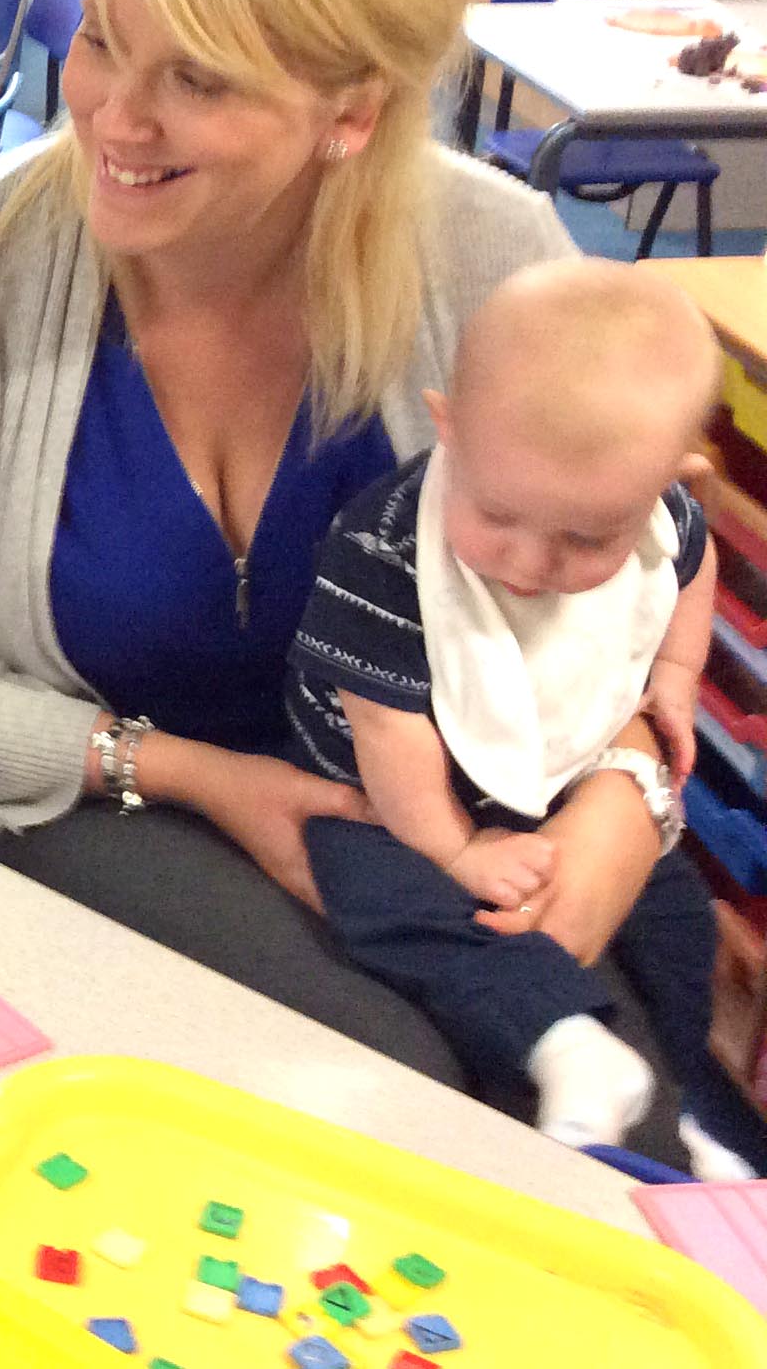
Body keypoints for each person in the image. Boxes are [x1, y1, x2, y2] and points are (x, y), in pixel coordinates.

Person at [0, 0, 717, 1144]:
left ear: (350, 116)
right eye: (106, 40)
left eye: (198, 80)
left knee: (614, 1107)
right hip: (88, 791)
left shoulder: (485, 262)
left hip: (431, 800)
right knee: (401, 1099)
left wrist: (632, 782)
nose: (114, 115)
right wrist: (197, 774)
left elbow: (620, 551)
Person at [289, 259, 767, 1176]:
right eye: (499, 514)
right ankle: (564, 1042)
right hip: (384, 793)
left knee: (677, 920)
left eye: (587, 538)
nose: (530, 562)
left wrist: (675, 672)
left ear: (664, 481)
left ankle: (675, 1097)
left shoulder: (655, 508)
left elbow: (689, 560)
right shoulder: (386, 553)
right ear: (449, 429)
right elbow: (392, 741)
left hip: (556, 768)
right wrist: (459, 852)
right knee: (374, 891)